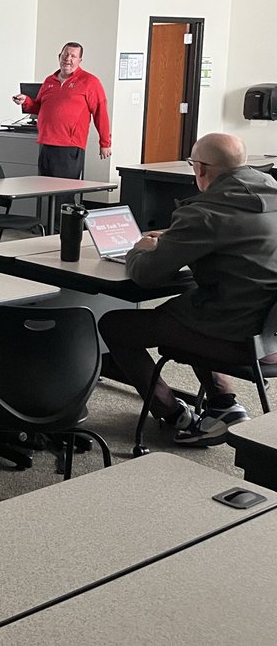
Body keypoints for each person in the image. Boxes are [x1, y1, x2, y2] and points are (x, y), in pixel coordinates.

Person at [98, 133, 277, 446]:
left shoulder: (205, 213)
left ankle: (172, 413)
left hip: (236, 336)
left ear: (202, 170)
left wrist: (140, 247)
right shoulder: (270, 196)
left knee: (116, 324)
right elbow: (236, 233)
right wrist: (176, 235)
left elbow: (145, 274)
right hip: (270, 335)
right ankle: (223, 406)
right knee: (190, 305)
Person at [11, 42, 111, 179]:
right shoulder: (49, 81)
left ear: (79, 60)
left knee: (63, 193)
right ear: (59, 56)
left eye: (73, 56)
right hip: (47, 143)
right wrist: (26, 101)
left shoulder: (90, 82)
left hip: (69, 146)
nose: (68, 59)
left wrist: (105, 143)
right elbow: (39, 107)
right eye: (65, 54)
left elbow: (100, 113)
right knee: (44, 190)